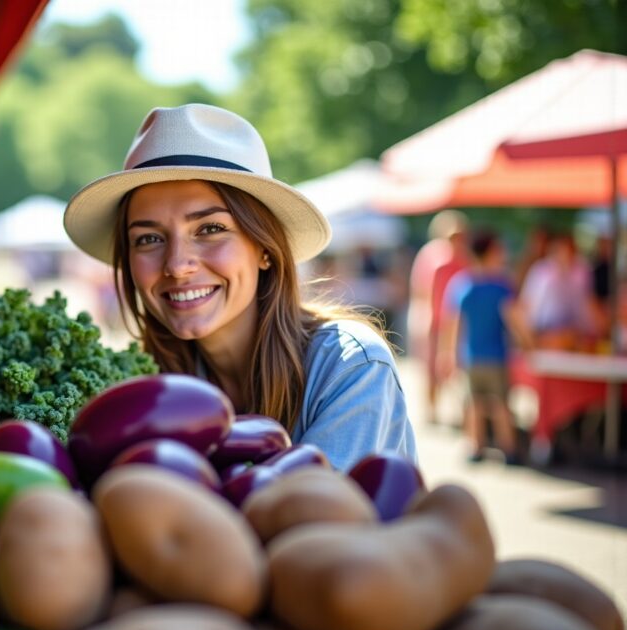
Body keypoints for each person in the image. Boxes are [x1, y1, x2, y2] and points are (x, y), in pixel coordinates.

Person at [62, 104, 416, 471]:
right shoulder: (141, 387)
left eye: (210, 229)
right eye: (149, 238)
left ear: (264, 247)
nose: (177, 265)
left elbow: (316, 519)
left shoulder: (350, 367)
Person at [437, 231, 533, 464]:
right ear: (490, 253)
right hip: (496, 355)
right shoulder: (501, 286)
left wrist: (447, 354)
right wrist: (529, 344)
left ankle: (475, 446)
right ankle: (508, 448)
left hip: (470, 356)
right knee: (500, 402)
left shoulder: (462, 285)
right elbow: (515, 320)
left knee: (474, 403)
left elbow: (453, 323)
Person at [407, 209, 469, 424]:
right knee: (431, 367)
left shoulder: (462, 258)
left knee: (453, 366)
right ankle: (432, 409)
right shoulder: (432, 255)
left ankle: (455, 410)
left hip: (452, 320)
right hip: (433, 319)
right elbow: (422, 290)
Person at [518, 232, 598, 350]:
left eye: (568, 252)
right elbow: (528, 306)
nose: (563, 256)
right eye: (560, 252)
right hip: (543, 332)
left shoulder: (580, 273)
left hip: (571, 333)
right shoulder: (541, 271)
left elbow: (583, 309)